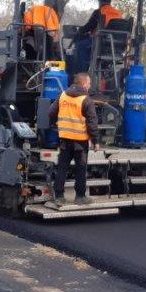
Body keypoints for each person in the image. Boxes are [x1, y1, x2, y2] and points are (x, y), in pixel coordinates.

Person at [47, 72, 99, 207]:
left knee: (62, 168)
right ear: (83, 83)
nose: (89, 86)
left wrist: (56, 125)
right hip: (80, 142)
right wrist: (95, 141)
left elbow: (51, 113)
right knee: (81, 169)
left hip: (65, 139)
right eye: (88, 83)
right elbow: (92, 123)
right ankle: (80, 197)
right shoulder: (86, 100)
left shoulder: (63, 95)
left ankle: (59, 196)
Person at [73, 0, 123, 74]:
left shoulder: (99, 12)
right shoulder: (119, 14)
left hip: (101, 43)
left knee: (81, 46)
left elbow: (89, 26)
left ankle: (81, 73)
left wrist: (79, 31)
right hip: (116, 47)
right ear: (110, 2)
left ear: (100, 2)